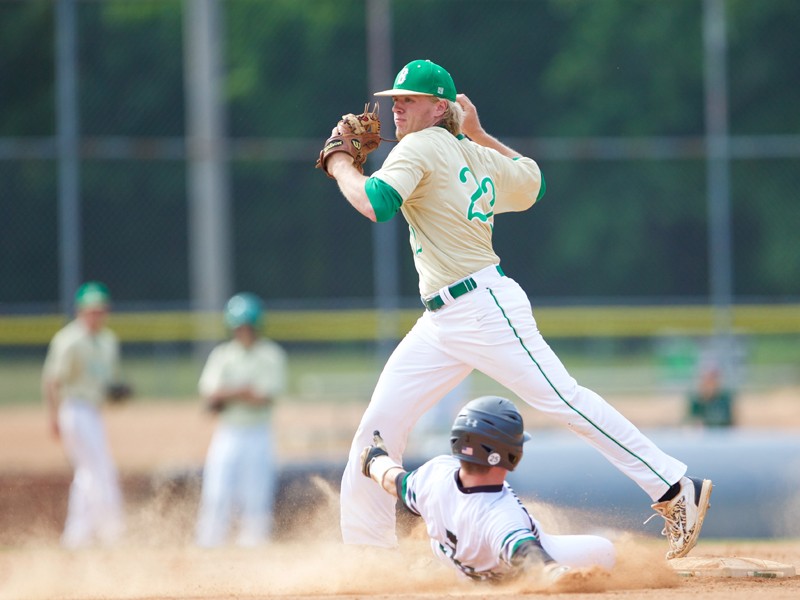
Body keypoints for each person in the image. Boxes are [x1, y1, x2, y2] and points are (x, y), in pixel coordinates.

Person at [321, 58, 712, 560]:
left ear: (439, 107)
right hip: (443, 320)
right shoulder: (471, 154)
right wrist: (480, 133)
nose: (396, 108)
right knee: (379, 425)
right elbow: (533, 183)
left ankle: (675, 487)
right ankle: (368, 554)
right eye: (394, 99)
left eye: (409, 100)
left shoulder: (421, 146)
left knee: (563, 400)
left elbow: (375, 201)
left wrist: (339, 164)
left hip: (480, 308)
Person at [360, 395, 616, 584]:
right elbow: (529, 555)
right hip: (500, 574)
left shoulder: (434, 474)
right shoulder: (500, 514)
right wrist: (556, 571)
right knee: (604, 548)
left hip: (458, 563)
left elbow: (393, 481)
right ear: (508, 455)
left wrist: (375, 460)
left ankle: (439, 569)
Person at [194, 292, 288, 547]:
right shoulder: (223, 354)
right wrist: (242, 391)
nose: (243, 331)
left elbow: (264, 396)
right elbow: (210, 393)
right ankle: (209, 542)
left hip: (258, 432)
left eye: (247, 326)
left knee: (256, 494)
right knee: (217, 490)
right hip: (229, 431)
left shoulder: (271, 354)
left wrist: (230, 393)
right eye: (239, 326)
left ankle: (254, 544)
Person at [42, 281, 127, 548]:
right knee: (101, 469)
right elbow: (52, 381)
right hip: (75, 410)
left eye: (100, 310)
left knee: (87, 472)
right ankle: (112, 530)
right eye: (91, 310)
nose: (96, 315)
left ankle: (77, 535)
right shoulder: (69, 340)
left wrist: (115, 392)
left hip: (94, 411)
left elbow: (108, 381)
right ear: (80, 311)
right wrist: (54, 417)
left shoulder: (108, 340)